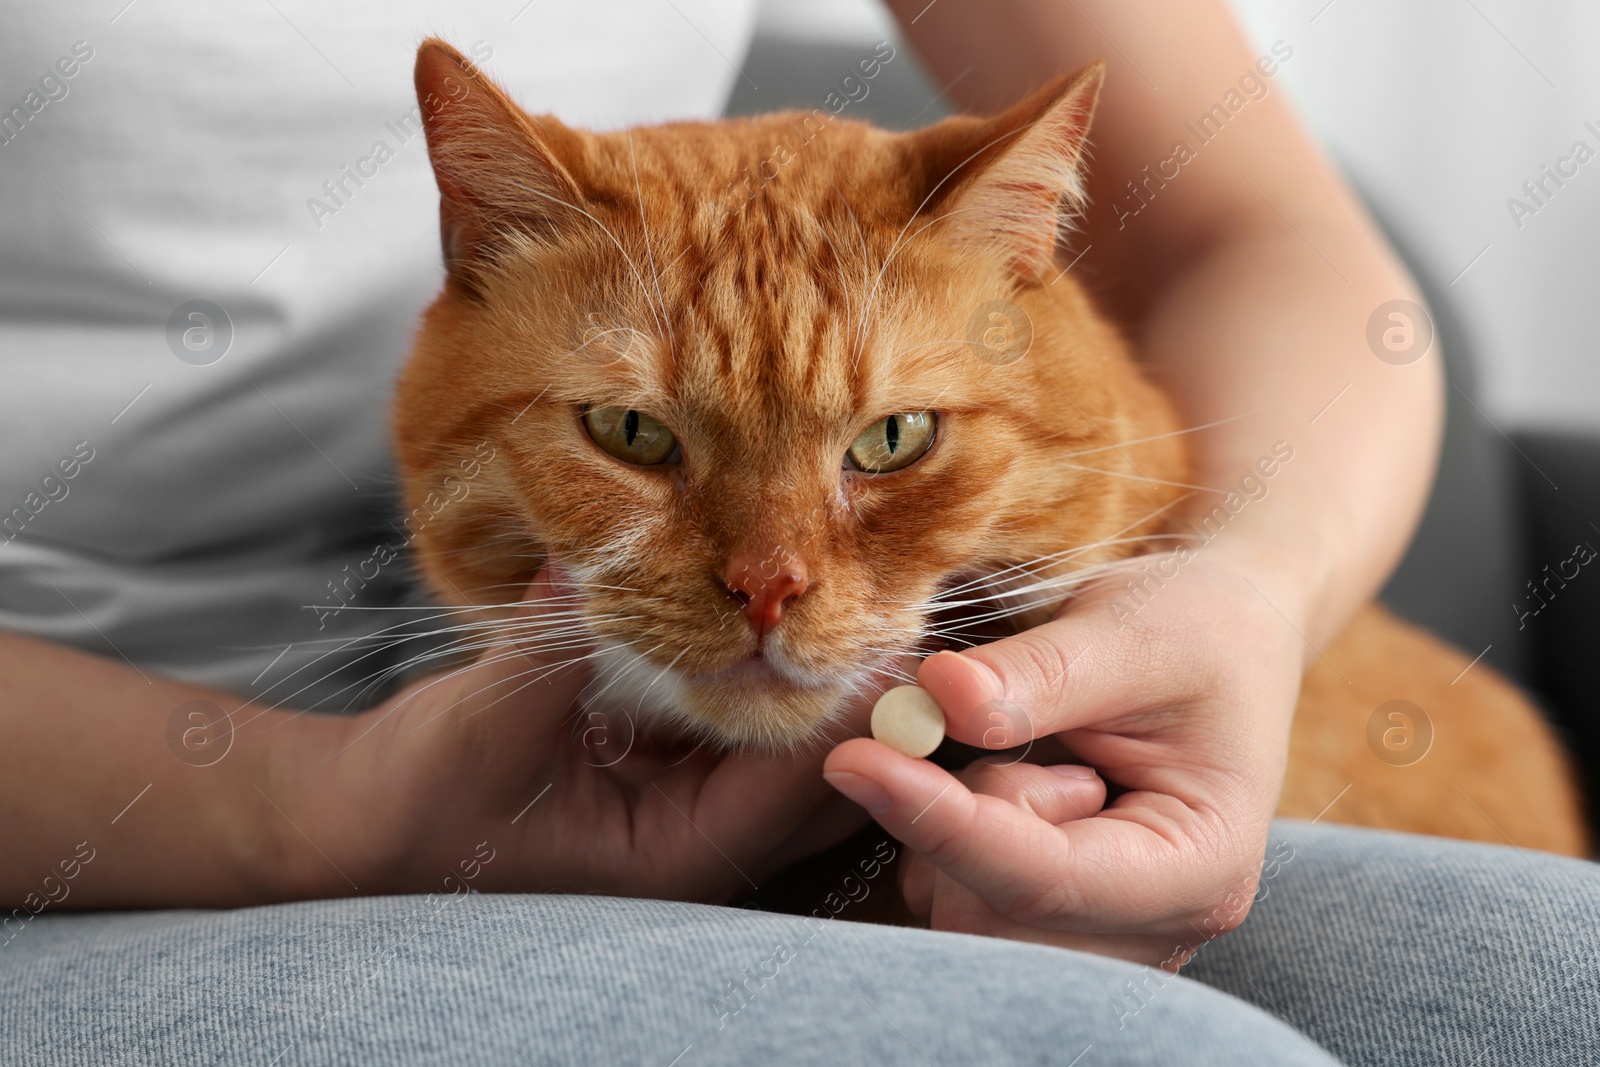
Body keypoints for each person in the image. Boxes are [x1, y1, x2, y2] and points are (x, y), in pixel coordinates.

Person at [1, 1, 1596, 1064]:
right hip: (112, 836)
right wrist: (318, 809)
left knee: (1557, 990)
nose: (768, 577)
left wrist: (1248, 589)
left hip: (533, 741)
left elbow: (1261, 230)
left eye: (886, 443)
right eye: (638, 438)